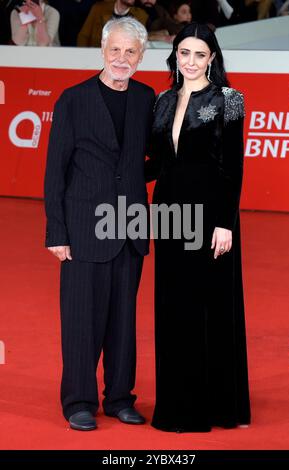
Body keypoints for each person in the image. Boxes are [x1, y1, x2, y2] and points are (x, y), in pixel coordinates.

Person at [44, 17, 155, 431]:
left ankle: (121, 397)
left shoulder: (147, 98)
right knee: (80, 320)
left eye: (131, 52)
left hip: (130, 228)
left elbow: (153, 159)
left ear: (141, 57)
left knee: (124, 321)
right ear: (102, 51)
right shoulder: (72, 100)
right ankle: (78, 401)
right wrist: (57, 232)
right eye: (115, 50)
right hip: (82, 229)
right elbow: (55, 170)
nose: (121, 59)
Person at [145, 22, 251, 432]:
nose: (190, 62)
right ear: (175, 57)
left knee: (210, 306)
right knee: (174, 305)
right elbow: (157, 164)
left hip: (210, 215)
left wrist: (226, 223)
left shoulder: (230, 99)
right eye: (184, 53)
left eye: (199, 54)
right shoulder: (162, 100)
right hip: (168, 212)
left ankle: (217, 404)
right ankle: (177, 402)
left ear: (212, 58)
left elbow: (233, 167)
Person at [77, 0, 148, 47]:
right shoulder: (99, 8)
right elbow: (83, 36)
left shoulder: (140, 15)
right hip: (96, 54)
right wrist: (83, 54)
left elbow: (140, 42)